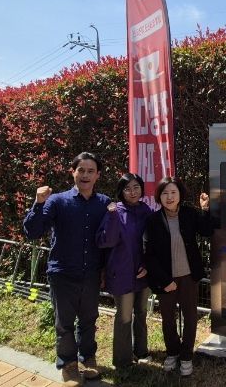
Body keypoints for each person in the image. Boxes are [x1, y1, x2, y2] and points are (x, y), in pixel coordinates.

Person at [23, 152, 110, 387]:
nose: (85, 175)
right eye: (81, 170)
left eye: (91, 171)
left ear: (98, 175)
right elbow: (32, 231)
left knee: (89, 320)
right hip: (62, 273)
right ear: (73, 172)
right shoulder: (57, 201)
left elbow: (109, 239)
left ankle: (88, 358)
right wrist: (38, 203)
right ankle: (68, 365)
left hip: (91, 273)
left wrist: (105, 270)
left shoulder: (104, 203)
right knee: (64, 323)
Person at [143, 177, 212, 377]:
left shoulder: (189, 214)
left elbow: (206, 231)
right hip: (166, 280)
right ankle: (172, 352)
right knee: (168, 319)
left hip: (189, 276)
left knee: (190, 318)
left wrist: (205, 210)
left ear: (180, 194)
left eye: (173, 192)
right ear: (159, 197)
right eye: (165, 193)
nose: (169, 197)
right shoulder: (153, 220)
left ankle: (186, 356)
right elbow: (149, 254)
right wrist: (165, 281)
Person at [96, 173, 153, 369]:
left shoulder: (146, 211)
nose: (132, 192)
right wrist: (112, 216)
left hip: (143, 273)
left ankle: (141, 352)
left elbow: (153, 243)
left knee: (141, 313)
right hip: (121, 274)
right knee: (124, 317)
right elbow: (105, 241)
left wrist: (147, 265)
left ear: (142, 189)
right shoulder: (115, 211)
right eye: (127, 189)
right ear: (121, 192)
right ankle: (122, 361)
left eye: (136, 187)